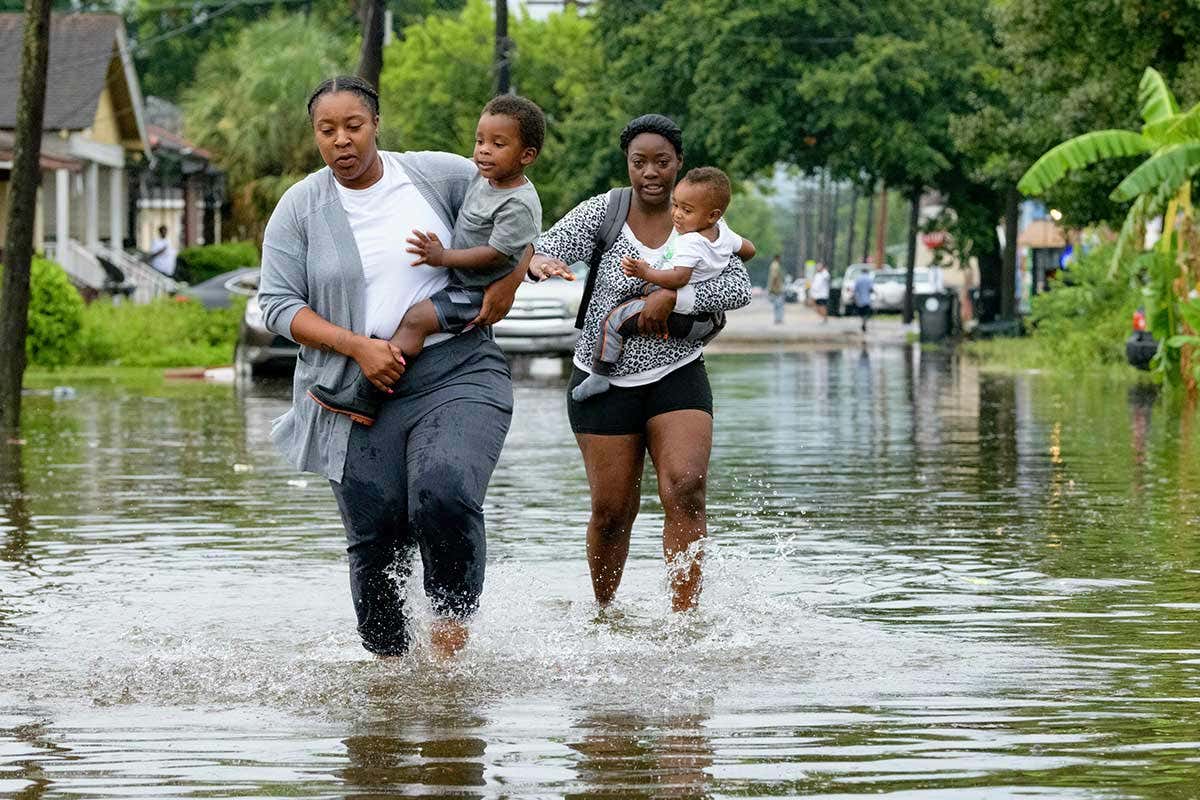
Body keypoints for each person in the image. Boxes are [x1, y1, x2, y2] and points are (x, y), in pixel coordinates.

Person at [257, 76, 528, 659]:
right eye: (327, 130)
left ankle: (451, 651)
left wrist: (509, 280)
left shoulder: (439, 175)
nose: (341, 140)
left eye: (353, 126)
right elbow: (276, 305)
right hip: (355, 392)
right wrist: (357, 346)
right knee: (375, 540)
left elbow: (517, 211)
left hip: (456, 370)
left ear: (376, 125)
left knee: (444, 493)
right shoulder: (300, 208)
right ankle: (388, 678)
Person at [528, 114, 752, 612]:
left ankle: (684, 623)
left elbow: (739, 288)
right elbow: (540, 250)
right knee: (612, 511)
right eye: (639, 162)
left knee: (687, 488)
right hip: (602, 378)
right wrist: (540, 263)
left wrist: (674, 297)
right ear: (627, 164)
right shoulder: (604, 212)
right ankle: (605, 614)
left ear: (679, 164)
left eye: (662, 162)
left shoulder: (704, 222)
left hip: (678, 372)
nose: (651, 172)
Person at [308, 94, 545, 426]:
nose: (483, 151)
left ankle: (366, 395)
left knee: (417, 320)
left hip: (476, 291)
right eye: (480, 141)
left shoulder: (517, 202)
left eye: (498, 144)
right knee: (414, 320)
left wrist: (444, 257)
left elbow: (498, 252)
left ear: (527, 155)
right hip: (463, 284)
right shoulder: (481, 176)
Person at [571, 166, 755, 401]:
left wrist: (645, 272)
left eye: (687, 210)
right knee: (647, 293)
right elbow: (749, 250)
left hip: (677, 312)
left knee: (613, 321)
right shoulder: (723, 232)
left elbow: (679, 278)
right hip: (704, 322)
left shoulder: (691, 242)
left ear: (712, 215)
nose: (677, 214)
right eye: (675, 205)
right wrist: (716, 262)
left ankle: (599, 374)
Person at [853, 268, 874, 332]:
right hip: (867, 299)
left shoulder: (858, 279)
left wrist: (855, 298)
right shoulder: (869, 279)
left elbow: (855, 289)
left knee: (861, 313)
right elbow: (871, 289)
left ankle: (863, 322)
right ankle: (864, 322)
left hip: (860, 299)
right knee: (866, 313)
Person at [766, 255, 785, 324]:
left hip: (775, 288)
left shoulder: (774, 265)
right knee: (779, 304)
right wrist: (773, 288)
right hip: (777, 289)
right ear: (777, 258)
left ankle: (777, 319)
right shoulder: (775, 265)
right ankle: (778, 319)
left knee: (777, 305)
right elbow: (774, 277)